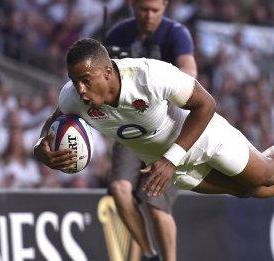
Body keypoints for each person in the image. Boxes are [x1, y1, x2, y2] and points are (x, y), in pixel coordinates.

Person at [34, 39, 274, 230]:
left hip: (200, 137)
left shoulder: (150, 75)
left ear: (107, 72)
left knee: (266, 175)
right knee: (249, 192)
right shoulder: (73, 97)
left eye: (86, 79)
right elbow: (49, 130)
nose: (80, 88)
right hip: (164, 164)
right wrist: (42, 152)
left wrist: (171, 159)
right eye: (75, 80)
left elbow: (206, 104)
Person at [104, 0, 196, 260]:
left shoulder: (176, 33)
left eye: (155, 10)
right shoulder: (118, 34)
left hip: (167, 132)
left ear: (165, 7)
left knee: (156, 205)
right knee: (121, 191)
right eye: (144, 9)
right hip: (130, 129)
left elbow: (189, 72)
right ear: (133, 6)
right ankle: (148, 252)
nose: (149, 15)